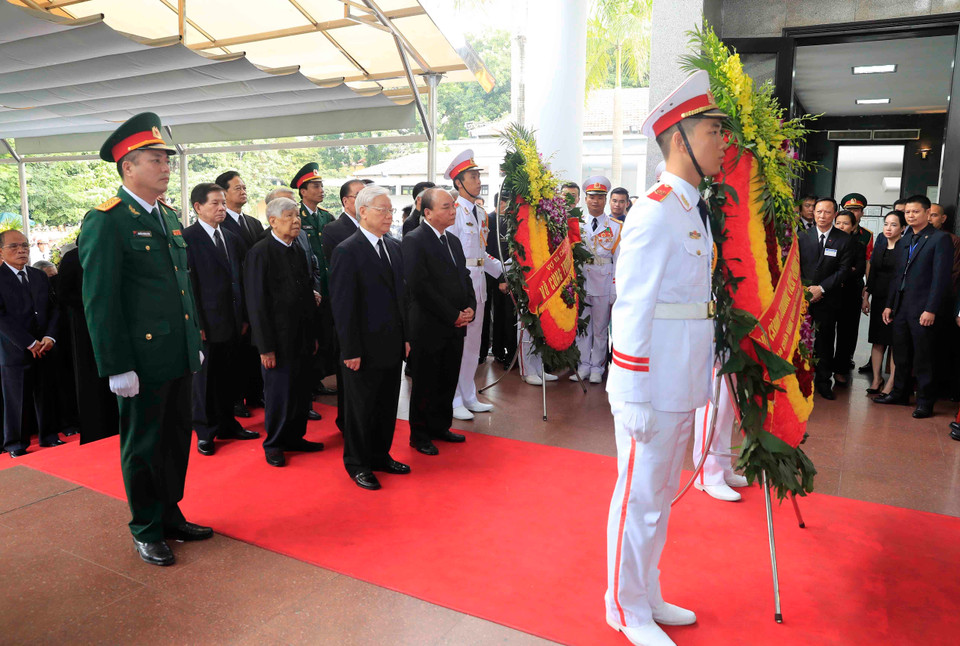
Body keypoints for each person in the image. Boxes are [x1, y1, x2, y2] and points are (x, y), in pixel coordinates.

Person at [605, 70, 726, 646]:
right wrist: (629, 393)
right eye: (713, 131)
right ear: (680, 138)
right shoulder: (654, 210)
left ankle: (647, 592)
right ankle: (624, 608)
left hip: (680, 381)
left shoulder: (692, 208)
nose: (722, 143)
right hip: (649, 388)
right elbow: (631, 307)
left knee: (659, 504)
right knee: (639, 500)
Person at [79, 112, 209, 567]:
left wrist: (192, 337)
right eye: (154, 159)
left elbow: (180, 287)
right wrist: (116, 364)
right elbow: (100, 300)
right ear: (127, 166)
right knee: (142, 445)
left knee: (175, 439)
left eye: (166, 159)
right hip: (141, 358)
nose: (165, 166)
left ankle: (170, 513)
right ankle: (146, 527)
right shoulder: (107, 221)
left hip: (176, 351)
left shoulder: (169, 217)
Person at [329, 185, 410, 490]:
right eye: (382, 210)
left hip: (391, 342)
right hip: (361, 346)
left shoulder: (393, 246)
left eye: (391, 210)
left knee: (386, 404)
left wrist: (406, 336)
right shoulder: (347, 250)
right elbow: (342, 304)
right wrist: (350, 349)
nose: (389, 216)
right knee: (361, 407)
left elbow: (402, 297)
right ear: (363, 212)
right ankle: (358, 463)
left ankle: (380, 454)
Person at [243, 197, 322, 466]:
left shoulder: (297, 249)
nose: (296, 220)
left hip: (301, 335)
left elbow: (304, 293)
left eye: (297, 215)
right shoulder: (260, 252)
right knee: (279, 393)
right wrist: (265, 347)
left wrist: (312, 335)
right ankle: (274, 443)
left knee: (301, 391)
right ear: (273, 221)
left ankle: (295, 436)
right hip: (276, 339)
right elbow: (256, 303)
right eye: (289, 216)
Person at [183, 183, 259, 457]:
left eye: (223, 203)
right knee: (205, 380)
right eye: (215, 203)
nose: (221, 208)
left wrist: (245, 317)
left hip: (233, 319)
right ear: (198, 207)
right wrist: (198, 323)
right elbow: (189, 284)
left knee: (230, 375)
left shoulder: (231, 237)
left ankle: (228, 423)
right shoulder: (187, 238)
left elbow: (240, 280)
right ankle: (205, 431)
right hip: (206, 322)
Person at [402, 187, 474, 455]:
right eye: (446, 207)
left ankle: (440, 426)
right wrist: (452, 314)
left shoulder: (452, 240)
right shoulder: (415, 239)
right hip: (429, 326)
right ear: (428, 212)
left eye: (453, 206)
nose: (453, 210)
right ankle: (419, 434)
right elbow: (420, 287)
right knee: (425, 381)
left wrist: (470, 307)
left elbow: (464, 277)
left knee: (447, 377)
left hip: (455, 324)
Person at [876, 195, 953, 418]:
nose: (910, 215)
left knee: (924, 357)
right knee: (901, 355)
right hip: (901, 306)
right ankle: (900, 393)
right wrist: (889, 305)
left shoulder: (939, 239)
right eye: (908, 212)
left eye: (915, 212)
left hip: (923, 308)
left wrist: (931, 309)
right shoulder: (905, 239)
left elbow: (940, 278)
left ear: (928, 214)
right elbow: (897, 275)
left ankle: (925, 402)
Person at [444, 150, 504, 421]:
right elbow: (451, 256)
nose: (478, 180)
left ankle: (468, 393)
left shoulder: (480, 212)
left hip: (479, 286)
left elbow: (481, 253)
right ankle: (454, 397)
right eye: (472, 176)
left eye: (478, 175)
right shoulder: (453, 213)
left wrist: (505, 270)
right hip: (460, 288)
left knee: (474, 346)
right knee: (459, 345)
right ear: (458, 183)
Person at [0, 229, 61, 457]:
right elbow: (2, 317)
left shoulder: (38, 276)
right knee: (17, 398)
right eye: (14, 246)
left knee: (45, 392)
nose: (21, 250)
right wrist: (29, 342)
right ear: (1, 252)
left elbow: (54, 308)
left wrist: (50, 337)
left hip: (44, 346)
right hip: (15, 350)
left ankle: (49, 436)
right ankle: (15, 443)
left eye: (24, 245)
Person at [214, 171, 265, 419]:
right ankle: (236, 400)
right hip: (234, 300)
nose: (243, 191)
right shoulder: (219, 224)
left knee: (255, 350)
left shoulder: (254, 223)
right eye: (237, 188)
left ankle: (256, 393)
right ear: (223, 193)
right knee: (235, 354)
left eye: (244, 187)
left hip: (256, 296)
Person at [57, 246, 120, 443]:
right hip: (84, 324)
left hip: (115, 322)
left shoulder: (112, 251)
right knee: (90, 377)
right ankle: (96, 430)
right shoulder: (72, 257)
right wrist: (92, 303)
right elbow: (63, 293)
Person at [798, 197, 854, 400]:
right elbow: (793, 265)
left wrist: (821, 288)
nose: (822, 216)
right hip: (802, 298)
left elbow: (843, 270)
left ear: (835, 214)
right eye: (818, 211)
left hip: (828, 299)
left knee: (825, 341)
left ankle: (823, 382)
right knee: (800, 339)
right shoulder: (802, 236)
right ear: (813, 213)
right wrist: (806, 290)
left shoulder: (844, 239)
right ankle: (799, 380)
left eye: (827, 212)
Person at [321, 178, 365, 432]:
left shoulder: (377, 228)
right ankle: (346, 421)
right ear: (347, 201)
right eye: (359, 195)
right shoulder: (334, 230)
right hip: (349, 306)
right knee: (348, 371)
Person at [572, 176, 622, 384]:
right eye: (592, 197)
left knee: (601, 329)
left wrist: (615, 288)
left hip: (603, 280)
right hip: (582, 282)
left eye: (600, 197)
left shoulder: (616, 226)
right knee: (583, 327)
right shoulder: (576, 223)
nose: (595, 201)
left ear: (606, 200)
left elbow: (619, 259)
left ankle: (597, 367)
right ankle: (583, 365)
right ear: (585, 199)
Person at [862, 211, 905, 396]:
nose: (888, 228)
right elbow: (872, 276)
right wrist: (866, 297)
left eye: (894, 224)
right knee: (878, 341)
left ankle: (892, 382)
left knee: (894, 342)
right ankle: (877, 379)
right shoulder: (879, 247)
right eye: (886, 224)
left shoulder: (906, 248)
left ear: (903, 228)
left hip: (897, 301)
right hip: (879, 299)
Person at [692, 368, 749, 502]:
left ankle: (722, 468)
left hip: (730, 351)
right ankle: (706, 473)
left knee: (727, 408)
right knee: (713, 403)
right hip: (713, 351)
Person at [835, 193, 874, 376]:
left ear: (862, 213)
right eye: (849, 210)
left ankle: (845, 359)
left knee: (849, 327)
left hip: (854, 285)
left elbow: (866, 263)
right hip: (832, 287)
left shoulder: (866, 236)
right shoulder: (832, 234)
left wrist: (867, 289)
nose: (853, 213)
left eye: (856, 210)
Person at [832, 209, 867, 387]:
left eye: (846, 223)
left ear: (853, 226)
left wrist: (839, 272)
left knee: (847, 334)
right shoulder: (828, 242)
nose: (841, 226)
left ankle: (840, 370)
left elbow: (859, 269)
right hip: (829, 294)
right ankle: (823, 369)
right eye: (838, 223)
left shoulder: (859, 246)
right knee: (826, 334)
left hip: (850, 294)